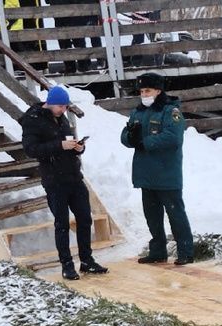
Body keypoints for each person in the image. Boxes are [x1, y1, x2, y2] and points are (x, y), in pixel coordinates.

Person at [19, 86, 108, 281]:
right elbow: (31, 149)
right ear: (49, 102)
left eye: (66, 107)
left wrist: (77, 148)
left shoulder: (62, 118)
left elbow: (67, 143)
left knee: (85, 218)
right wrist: (59, 146)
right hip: (54, 179)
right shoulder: (33, 120)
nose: (63, 110)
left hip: (73, 175)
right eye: (60, 106)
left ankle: (86, 260)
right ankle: (66, 264)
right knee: (62, 223)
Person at [120, 72, 194, 265]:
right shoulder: (138, 112)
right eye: (141, 91)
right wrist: (131, 138)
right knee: (152, 217)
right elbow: (124, 135)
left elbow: (173, 138)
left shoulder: (170, 112)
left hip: (166, 173)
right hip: (146, 174)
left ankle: (186, 251)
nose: (144, 94)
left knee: (175, 214)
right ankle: (158, 251)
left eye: (148, 90)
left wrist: (145, 142)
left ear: (158, 91)